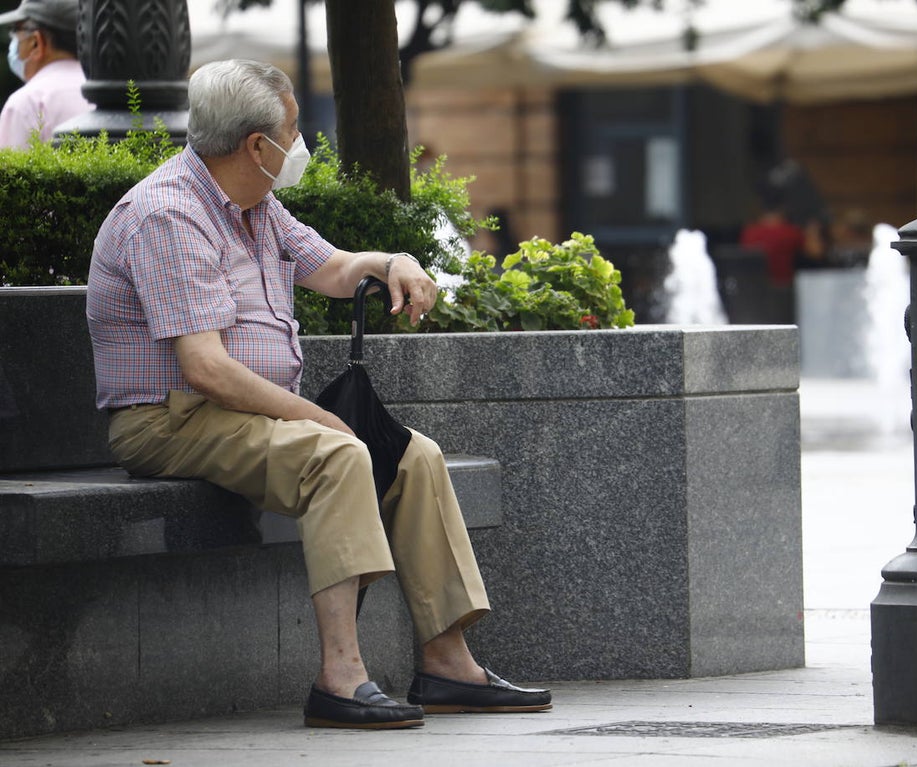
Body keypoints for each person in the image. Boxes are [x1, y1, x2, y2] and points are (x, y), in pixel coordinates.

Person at [86, 59, 550, 730]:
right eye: (294, 129)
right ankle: (341, 675)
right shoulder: (167, 216)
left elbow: (331, 267)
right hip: (170, 419)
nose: (300, 143)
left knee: (416, 456)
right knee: (339, 455)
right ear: (256, 146)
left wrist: (393, 262)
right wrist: (324, 420)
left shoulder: (255, 207)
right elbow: (207, 370)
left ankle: (448, 664)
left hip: (239, 415)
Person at [0, 0, 93, 148]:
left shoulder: (28, 103)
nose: (15, 44)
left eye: (16, 34)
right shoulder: (107, 93)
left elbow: (10, 170)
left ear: (36, 43)